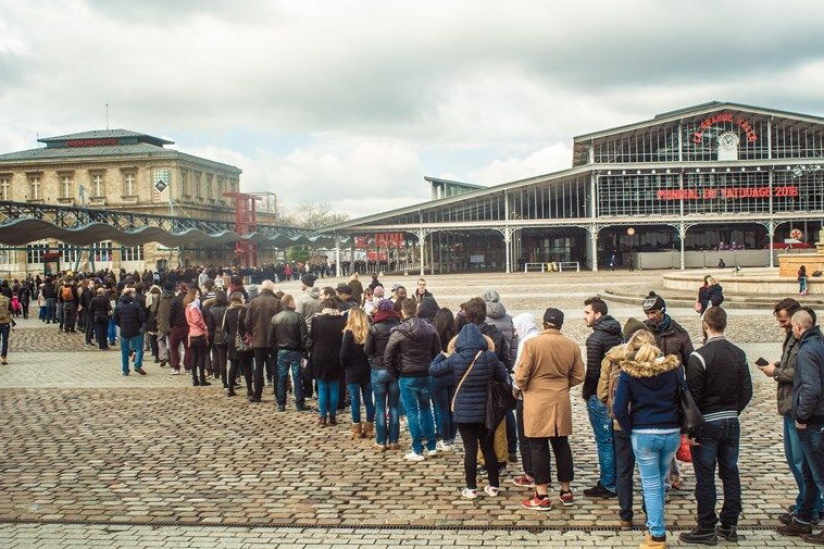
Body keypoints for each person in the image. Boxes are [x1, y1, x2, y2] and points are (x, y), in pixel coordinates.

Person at [680, 306, 752, 545]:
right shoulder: (738, 353)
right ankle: (730, 523)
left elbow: (693, 398)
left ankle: (706, 526)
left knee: (706, 476)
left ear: (705, 325)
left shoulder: (699, 356)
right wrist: (734, 411)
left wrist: (690, 429)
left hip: (708, 422)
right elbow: (746, 390)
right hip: (731, 420)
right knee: (730, 471)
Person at [613, 332, 682, 549]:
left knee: (651, 485)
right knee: (660, 483)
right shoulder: (673, 370)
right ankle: (654, 529)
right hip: (670, 431)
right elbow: (683, 397)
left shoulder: (629, 373)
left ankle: (657, 535)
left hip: (644, 432)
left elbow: (619, 409)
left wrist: (630, 429)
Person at [761, 299, 824, 525]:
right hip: (791, 406)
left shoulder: (806, 345)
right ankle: (805, 504)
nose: (782, 325)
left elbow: (805, 378)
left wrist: (775, 371)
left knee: (803, 462)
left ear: (797, 322)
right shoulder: (799, 339)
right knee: (798, 460)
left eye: (785, 321)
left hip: (799, 410)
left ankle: (811, 508)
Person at [516, 308, 585, 511]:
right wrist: (562, 384)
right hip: (560, 400)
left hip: (536, 401)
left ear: (544, 323)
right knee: (562, 445)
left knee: (538, 446)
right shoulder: (571, 345)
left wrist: (530, 387)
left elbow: (521, 376)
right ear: (561, 324)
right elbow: (579, 375)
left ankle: (542, 494)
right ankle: (566, 490)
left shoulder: (532, 344)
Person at [430, 321, 508, 499]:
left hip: (463, 412)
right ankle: (494, 486)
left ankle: (471, 488)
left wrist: (441, 355)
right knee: (488, 447)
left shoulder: (455, 358)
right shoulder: (490, 357)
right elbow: (502, 377)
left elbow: (433, 370)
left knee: (470, 449)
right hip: (486, 411)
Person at [597, 318, 649, 529]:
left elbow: (602, 393)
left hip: (621, 422)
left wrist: (612, 407)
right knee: (649, 470)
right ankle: (649, 511)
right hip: (647, 422)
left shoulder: (612, 357)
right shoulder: (652, 356)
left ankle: (626, 515)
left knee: (624, 470)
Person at [777, 309, 824, 542]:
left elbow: (811, 389)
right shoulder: (819, 344)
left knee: (818, 474)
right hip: (816, 419)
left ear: (797, 327)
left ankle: (809, 520)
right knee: (808, 470)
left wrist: (802, 417)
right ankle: (804, 518)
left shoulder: (806, 351)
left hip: (813, 421)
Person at [385, 298, 441, 462]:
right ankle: (431, 446)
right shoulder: (430, 328)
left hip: (408, 374)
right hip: (425, 373)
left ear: (402, 312)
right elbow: (437, 352)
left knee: (412, 412)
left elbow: (388, 357)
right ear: (416, 310)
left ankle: (417, 449)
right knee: (426, 409)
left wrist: (396, 373)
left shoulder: (399, 331)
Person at [582, 296, 623, 500]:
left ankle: (608, 484)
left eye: (587, 313)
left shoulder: (595, 339)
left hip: (600, 395)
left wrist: (587, 394)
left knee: (604, 440)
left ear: (598, 314)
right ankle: (617, 479)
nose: (584, 317)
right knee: (615, 439)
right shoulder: (618, 333)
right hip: (616, 394)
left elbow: (592, 372)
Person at [365, 298, 402, 451]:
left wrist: (373, 358)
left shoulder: (374, 328)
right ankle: (393, 441)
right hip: (395, 370)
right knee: (393, 407)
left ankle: (381, 441)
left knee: (380, 406)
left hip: (378, 368)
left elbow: (367, 349)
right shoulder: (399, 327)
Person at [510, 312, 540, 489]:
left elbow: (520, 369)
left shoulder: (525, 342)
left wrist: (515, 388)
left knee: (525, 435)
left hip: (526, 394)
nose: (514, 331)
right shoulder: (539, 338)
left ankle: (530, 473)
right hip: (539, 395)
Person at [308, 298, 347, 426]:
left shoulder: (317, 320)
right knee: (335, 386)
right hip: (336, 356)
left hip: (319, 356)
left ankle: (323, 416)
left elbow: (312, 337)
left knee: (322, 387)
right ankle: (333, 416)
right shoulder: (342, 320)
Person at [270, 294, 309, 412]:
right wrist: (305, 351)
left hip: (281, 351)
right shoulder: (298, 317)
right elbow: (304, 336)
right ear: (290, 303)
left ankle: (281, 404)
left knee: (281, 377)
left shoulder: (275, 318)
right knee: (297, 377)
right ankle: (299, 403)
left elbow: (271, 337)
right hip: (296, 350)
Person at [340, 307, 375, 438]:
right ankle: (369, 428)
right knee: (368, 401)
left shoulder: (349, 333)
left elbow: (343, 354)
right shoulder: (369, 332)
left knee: (355, 401)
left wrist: (345, 366)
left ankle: (356, 429)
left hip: (352, 370)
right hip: (367, 369)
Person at [248, 280, 283, 403]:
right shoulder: (277, 302)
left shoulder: (253, 302)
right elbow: (281, 321)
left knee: (258, 367)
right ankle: (279, 395)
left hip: (258, 340)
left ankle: (257, 395)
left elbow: (247, 322)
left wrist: (253, 333)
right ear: (272, 289)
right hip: (274, 340)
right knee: (275, 367)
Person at [431, 308, 457, 450]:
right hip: (453, 374)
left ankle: (444, 438)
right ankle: (451, 437)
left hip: (438, 374)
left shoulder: (433, 333)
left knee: (441, 409)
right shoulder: (455, 335)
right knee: (451, 408)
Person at [113, 288, 147, 376]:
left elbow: (115, 318)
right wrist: (139, 325)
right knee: (139, 348)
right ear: (130, 295)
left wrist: (121, 325)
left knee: (124, 351)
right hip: (135, 330)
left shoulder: (119, 305)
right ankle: (137, 364)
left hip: (124, 331)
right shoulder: (135, 304)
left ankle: (125, 370)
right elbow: (142, 317)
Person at [225, 292, 253, 398]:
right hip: (243, 340)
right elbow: (248, 325)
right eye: (243, 298)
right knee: (246, 366)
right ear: (239, 300)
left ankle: (230, 389)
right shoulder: (244, 310)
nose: (244, 299)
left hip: (232, 340)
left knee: (233, 365)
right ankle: (249, 390)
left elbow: (226, 328)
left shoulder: (228, 311)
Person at [184, 288, 210, 387]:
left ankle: (195, 379)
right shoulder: (194, 307)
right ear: (193, 295)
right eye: (197, 294)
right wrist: (205, 326)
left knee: (194, 358)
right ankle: (202, 379)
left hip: (192, 334)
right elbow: (197, 320)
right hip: (199, 334)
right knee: (201, 358)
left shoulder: (188, 307)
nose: (199, 296)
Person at [206, 290, 229, 389]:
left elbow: (211, 326)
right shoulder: (228, 308)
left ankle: (224, 380)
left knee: (222, 359)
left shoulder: (212, 310)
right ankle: (235, 378)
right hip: (229, 335)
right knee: (234, 359)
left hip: (218, 336)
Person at [168, 283, 190, 375]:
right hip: (188, 327)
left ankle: (175, 367)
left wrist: (172, 324)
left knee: (174, 348)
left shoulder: (175, 300)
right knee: (188, 348)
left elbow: (171, 314)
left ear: (179, 290)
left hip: (177, 327)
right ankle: (188, 368)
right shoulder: (190, 300)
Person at [89, 287, 113, 351]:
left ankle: (101, 346)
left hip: (97, 316)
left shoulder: (93, 299)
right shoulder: (106, 299)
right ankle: (105, 345)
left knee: (99, 331)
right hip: (104, 316)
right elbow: (109, 308)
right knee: (105, 331)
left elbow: (90, 308)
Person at [0, 288, 12, 364]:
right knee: (5, 341)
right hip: (5, 322)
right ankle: (3, 358)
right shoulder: (7, 299)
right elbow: (11, 310)